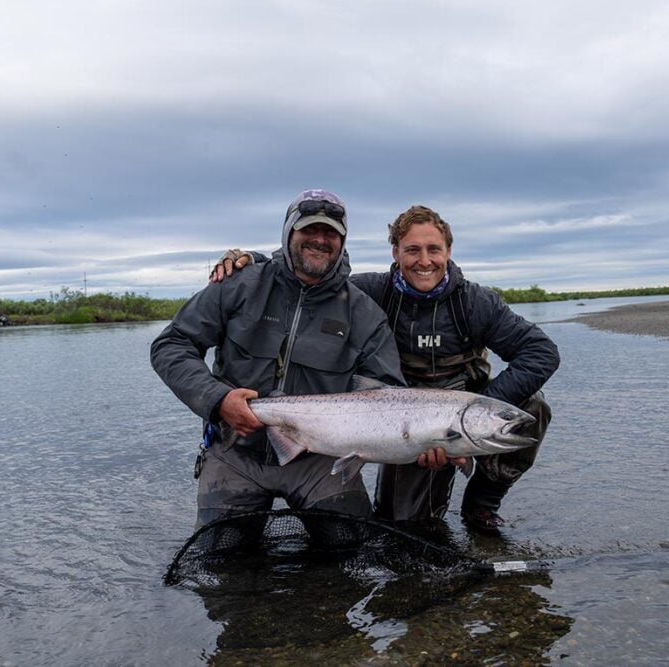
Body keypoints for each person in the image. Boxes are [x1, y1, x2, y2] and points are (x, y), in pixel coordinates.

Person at [212, 205, 560, 534]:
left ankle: (482, 503)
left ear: (449, 251)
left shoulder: (476, 302)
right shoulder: (368, 293)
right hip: (391, 420)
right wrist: (253, 261)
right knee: (403, 527)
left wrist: (477, 408)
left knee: (532, 407)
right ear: (395, 252)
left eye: (434, 250)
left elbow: (542, 353)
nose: (424, 261)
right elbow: (310, 275)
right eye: (412, 250)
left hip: (455, 414)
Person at [151, 189, 405, 529]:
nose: (319, 239)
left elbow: (389, 396)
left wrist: (426, 442)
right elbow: (172, 344)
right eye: (309, 229)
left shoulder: (364, 314)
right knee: (220, 561)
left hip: (321, 462)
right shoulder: (238, 284)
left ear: (343, 242)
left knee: (350, 548)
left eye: (330, 233)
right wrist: (218, 400)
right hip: (236, 451)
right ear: (288, 233)